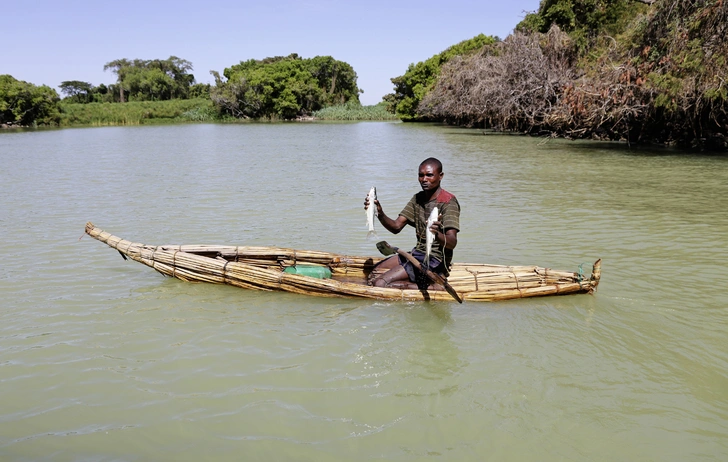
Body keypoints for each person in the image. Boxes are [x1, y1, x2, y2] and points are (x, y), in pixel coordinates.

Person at [364, 157, 460, 290]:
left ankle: (432, 287)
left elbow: (452, 242)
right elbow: (396, 227)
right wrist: (379, 213)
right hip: (417, 254)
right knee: (375, 272)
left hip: (435, 261)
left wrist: (435, 234)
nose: (424, 179)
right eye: (421, 175)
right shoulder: (418, 199)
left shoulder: (448, 202)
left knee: (380, 283)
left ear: (440, 176)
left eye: (429, 175)